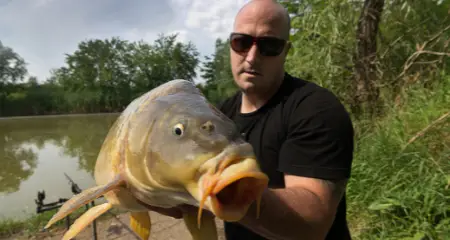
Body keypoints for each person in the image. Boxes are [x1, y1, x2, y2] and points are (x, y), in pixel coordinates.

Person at [146, 0, 354, 239]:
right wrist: (165, 190)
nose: (252, 57)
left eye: (269, 46)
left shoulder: (315, 108)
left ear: (286, 51)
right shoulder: (219, 114)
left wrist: (226, 191)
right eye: (242, 42)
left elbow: (312, 222)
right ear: (231, 46)